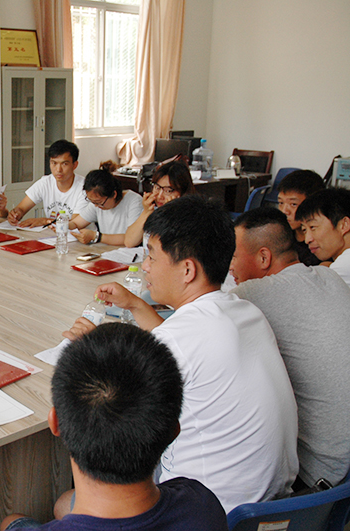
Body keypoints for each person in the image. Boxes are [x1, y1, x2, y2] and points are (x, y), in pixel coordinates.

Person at [64, 195, 298, 512]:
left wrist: (89, 351)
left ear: (187, 269)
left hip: (210, 511)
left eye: (151, 256)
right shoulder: (245, 312)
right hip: (277, 504)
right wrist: (135, 304)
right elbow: (179, 347)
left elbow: (114, 403)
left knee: (67, 504)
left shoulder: (180, 338)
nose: (145, 266)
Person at [0, 324, 228, 531]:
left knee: (11, 522)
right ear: (174, 431)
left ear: (55, 423)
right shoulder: (201, 503)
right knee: (62, 504)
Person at [229, 207, 350, 489]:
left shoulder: (251, 294)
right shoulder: (330, 277)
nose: (229, 266)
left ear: (263, 257)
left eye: (233, 256)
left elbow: (189, 338)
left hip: (319, 473)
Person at [7, 140, 86, 228]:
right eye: (54, 163)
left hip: (79, 235)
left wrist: (44, 221)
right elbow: (22, 208)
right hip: (52, 234)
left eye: (64, 164)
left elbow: (74, 224)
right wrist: (16, 214)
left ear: (75, 165)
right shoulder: (45, 182)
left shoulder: (85, 187)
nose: (58, 169)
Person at [68, 163, 143, 246]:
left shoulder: (134, 202)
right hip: (106, 250)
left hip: (128, 252)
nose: (96, 206)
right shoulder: (97, 202)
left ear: (114, 194)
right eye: (92, 202)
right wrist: (62, 225)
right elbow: (76, 223)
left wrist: (96, 236)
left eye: (99, 202)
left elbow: (130, 239)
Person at [124, 160, 193, 248]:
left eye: (168, 191)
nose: (160, 196)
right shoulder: (154, 209)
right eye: (157, 187)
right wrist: (146, 212)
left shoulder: (190, 218)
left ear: (183, 192)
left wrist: (170, 214)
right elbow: (129, 242)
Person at [295, 188, 350, 285]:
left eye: (313, 227)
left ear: (344, 225)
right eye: (304, 230)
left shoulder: (345, 264)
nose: (307, 240)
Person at [275, 169, 325, 266]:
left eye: (293, 204)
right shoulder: (281, 236)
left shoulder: (322, 244)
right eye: (281, 203)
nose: (284, 211)